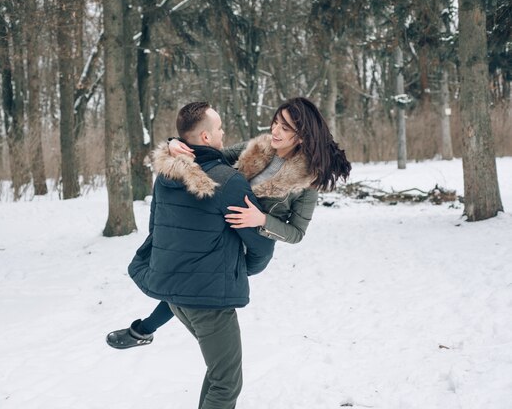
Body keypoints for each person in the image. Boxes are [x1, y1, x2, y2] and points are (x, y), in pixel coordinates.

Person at [107, 96, 352, 350]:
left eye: (285, 128)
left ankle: (151, 333)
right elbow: (209, 155)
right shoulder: (260, 147)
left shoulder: (307, 181)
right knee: (189, 280)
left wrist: (262, 219)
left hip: (252, 244)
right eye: (276, 121)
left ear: (301, 136)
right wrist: (175, 145)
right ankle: (143, 331)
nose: (275, 131)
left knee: (194, 281)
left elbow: (297, 232)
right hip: (221, 228)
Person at [126, 101, 276, 409]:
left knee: (219, 370)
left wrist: (172, 145)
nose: (223, 132)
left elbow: (156, 227)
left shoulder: (167, 174)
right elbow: (260, 242)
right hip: (208, 302)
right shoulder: (228, 181)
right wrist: (244, 268)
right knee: (226, 381)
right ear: (206, 137)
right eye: (219, 128)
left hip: (175, 295)